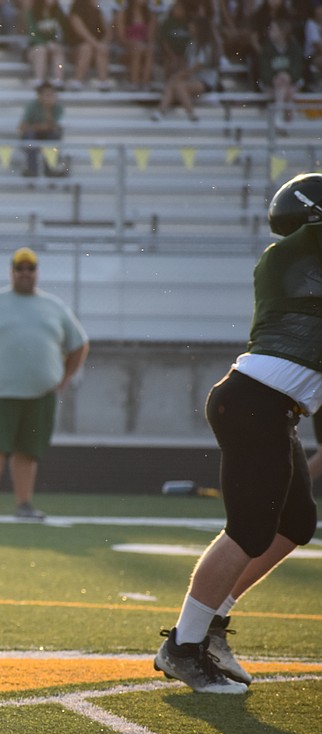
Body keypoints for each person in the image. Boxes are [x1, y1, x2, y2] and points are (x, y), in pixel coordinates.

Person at [152, 173, 322, 694]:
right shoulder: (289, 256)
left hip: (271, 407)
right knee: (248, 529)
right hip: (253, 402)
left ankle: (213, 624)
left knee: (295, 523)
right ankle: (182, 646)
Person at [0, 246, 89, 521]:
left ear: (37, 273)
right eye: (19, 268)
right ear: (11, 272)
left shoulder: (53, 306)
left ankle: (24, 504)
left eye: (30, 268)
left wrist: (66, 376)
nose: (25, 273)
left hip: (40, 393)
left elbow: (79, 344)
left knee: (28, 451)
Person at [150, 15, 219, 122]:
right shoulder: (192, 44)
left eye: (192, 26)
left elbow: (195, 67)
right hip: (193, 78)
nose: (189, 28)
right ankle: (160, 111)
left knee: (178, 85)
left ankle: (190, 113)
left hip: (205, 81)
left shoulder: (206, 46)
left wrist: (179, 75)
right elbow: (187, 64)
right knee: (173, 83)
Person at [257, 19, 305, 128]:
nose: (269, 32)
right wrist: (275, 77)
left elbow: (297, 68)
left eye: (273, 30)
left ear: (282, 33)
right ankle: (287, 119)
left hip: (291, 82)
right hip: (272, 83)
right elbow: (264, 70)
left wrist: (288, 76)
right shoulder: (267, 48)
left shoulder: (294, 48)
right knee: (284, 88)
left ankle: (278, 115)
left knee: (284, 86)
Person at [17, 81, 64, 178]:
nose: (50, 97)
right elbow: (22, 127)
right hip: (33, 134)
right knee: (29, 136)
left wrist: (47, 109)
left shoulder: (57, 107)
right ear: (39, 96)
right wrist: (40, 127)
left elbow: (51, 126)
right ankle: (32, 169)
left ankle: (51, 167)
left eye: (51, 94)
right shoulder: (32, 106)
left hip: (48, 135)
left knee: (54, 136)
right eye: (47, 94)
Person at [66, 0, 112, 90]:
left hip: (96, 48)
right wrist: (97, 45)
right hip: (78, 48)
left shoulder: (98, 12)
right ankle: (77, 80)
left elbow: (108, 32)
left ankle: (103, 81)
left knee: (101, 49)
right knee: (86, 48)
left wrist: (103, 43)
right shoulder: (76, 11)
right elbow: (83, 33)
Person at [113, 0, 155, 91]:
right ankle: (134, 82)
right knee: (138, 48)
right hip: (126, 49)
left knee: (149, 49)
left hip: (142, 48)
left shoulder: (149, 15)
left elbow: (150, 37)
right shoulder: (123, 13)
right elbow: (121, 38)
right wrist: (133, 43)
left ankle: (145, 82)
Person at [25, 0, 68, 86]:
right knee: (41, 50)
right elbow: (32, 33)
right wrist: (46, 43)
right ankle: (39, 79)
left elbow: (65, 30)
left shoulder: (57, 13)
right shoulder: (32, 13)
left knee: (58, 50)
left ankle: (58, 80)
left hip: (52, 47)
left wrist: (57, 42)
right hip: (34, 48)